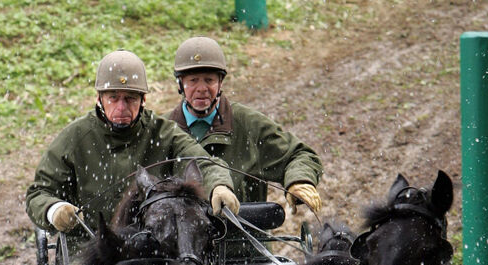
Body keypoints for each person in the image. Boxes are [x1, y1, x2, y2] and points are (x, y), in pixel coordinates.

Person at [25, 50, 239, 252]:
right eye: (113, 98)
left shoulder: (163, 133)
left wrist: (218, 186)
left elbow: (201, 161)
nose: (121, 107)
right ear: (99, 99)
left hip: (154, 248)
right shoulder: (74, 138)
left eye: (130, 98)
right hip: (88, 248)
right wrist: (54, 210)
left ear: (143, 100)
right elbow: (39, 192)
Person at [169, 36, 323, 214]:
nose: (202, 88)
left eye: (209, 80)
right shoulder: (164, 131)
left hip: (244, 236)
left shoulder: (248, 124)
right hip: (180, 239)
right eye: (193, 80)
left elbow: (299, 155)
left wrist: (299, 180)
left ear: (220, 83)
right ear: (180, 84)